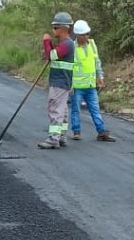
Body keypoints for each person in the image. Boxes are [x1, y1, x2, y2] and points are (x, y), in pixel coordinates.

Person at [70, 20, 116, 142]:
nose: (87, 37)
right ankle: (76, 131)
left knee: (95, 109)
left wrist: (100, 77)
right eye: (84, 35)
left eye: (87, 34)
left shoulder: (92, 45)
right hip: (77, 87)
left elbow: (97, 62)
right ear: (78, 36)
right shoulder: (72, 48)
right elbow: (69, 68)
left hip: (91, 86)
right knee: (76, 110)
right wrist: (70, 85)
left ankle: (102, 132)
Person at [37, 12, 76, 150]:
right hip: (63, 82)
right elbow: (55, 55)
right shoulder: (66, 44)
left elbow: (51, 56)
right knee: (63, 110)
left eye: (55, 27)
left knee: (55, 109)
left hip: (60, 83)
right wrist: (51, 45)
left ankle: (54, 138)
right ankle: (61, 137)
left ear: (63, 28)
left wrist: (46, 41)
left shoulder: (67, 44)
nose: (53, 30)